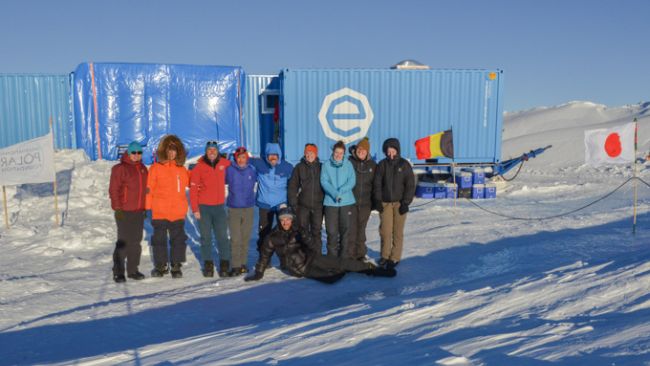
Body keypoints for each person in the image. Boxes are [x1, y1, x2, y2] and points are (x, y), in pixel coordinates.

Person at [244, 207, 396, 284]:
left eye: (288, 219)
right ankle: (344, 270)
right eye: (282, 219)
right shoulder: (272, 237)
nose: (285, 222)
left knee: (342, 263)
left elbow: (311, 245)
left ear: (291, 220)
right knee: (332, 278)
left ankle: (374, 270)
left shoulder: (297, 230)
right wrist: (258, 273)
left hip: (312, 258)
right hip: (300, 268)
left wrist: (304, 235)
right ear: (279, 220)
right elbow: (264, 256)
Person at [146, 135, 190, 278]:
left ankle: (176, 266)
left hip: (177, 211)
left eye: (174, 150)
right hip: (160, 211)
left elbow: (194, 183)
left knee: (178, 240)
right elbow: (149, 188)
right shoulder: (155, 168)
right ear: (164, 151)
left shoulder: (182, 170)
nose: (171, 153)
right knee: (159, 240)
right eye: (169, 150)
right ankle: (161, 265)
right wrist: (147, 207)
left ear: (178, 152)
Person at [190, 140, 231, 278]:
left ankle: (225, 264)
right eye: (209, 150)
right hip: (204, 208)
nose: (212, 152)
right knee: (206, 238)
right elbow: (193, 190)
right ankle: (208, 265)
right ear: (206, 152)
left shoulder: (224, 163)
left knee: (223, 238)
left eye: (214, 149)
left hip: (219, 207)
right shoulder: (198, 168)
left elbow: (239, 164)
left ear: (218, 151)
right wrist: (195, 208)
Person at [108, 141, 148, 283]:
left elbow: (144, 191)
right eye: (134, 152)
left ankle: (133, 270)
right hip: (124, 211)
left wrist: (145, 207)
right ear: (128, 153)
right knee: (124, 242)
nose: (136, 155)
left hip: (138, 211)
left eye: (139, 152)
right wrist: (117, 208)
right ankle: (118, 271)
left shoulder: (143, 169)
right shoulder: (119, 169)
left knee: (136, 242)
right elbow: (114, 190)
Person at [373, 138, 416, 270]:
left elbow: (410, 185)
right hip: (385, 203)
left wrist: (405, 203)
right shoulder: (382, 165)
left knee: (397, 232)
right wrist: (378, 201)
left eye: (393, 151)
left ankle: (395, 257)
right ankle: (385, 256)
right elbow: (377, 184)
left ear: (397, 150)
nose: (391, 154)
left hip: (399, 204)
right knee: (385, 231)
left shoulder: (404, 165)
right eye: (388, 151)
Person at [249, 143, 293, 253]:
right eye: (270, 155)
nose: (272, 158)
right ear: (266, 156)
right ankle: (264, 258)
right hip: (265, 204)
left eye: (275, 155)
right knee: (264, 231)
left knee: (284, 231)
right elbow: (243, 160)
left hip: (280, 205)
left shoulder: (287, 167)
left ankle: (285, 258)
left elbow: (295, 183)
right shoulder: (260, 164)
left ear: (279, 155)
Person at [320, 140, 356, 257]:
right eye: (336, 152)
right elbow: (324, 182)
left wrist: (340, 191)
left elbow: (352, 181)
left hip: (346, 201)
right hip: (331, 202)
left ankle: (343, 258)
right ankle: (332, 259)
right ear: (333, 152)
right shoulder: (326, 165)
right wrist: (335, 193)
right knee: (331, 232)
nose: (338, 155)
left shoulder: (348, 164)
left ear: (344, 153)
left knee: (345, 231)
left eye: (341, 153)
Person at [287, 143, 324, 254]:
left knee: (316, 231)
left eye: (311, 153)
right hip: (303, 206)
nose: (309, 155)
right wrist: (294, 204)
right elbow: (292, 186)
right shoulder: (299, 167)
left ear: (316, 154)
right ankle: (303, 255)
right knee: (303, 231)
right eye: (307, 153)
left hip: (318, 206)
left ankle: (317, 255)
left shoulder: (322, 167)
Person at [226, 146, 257, 276]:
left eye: (243, 157)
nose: (241, 160)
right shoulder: (229, 170)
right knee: (235, 238)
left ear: (247, 158)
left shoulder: (252, 170)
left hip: (248, 207)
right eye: (239, 157)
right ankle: (235, 266)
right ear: (235, 158)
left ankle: (243, 264)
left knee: (245, 237)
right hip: (234, 208)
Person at [347, 137, 376, 260]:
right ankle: (349, 254)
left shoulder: (373, 165)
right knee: (351, 229)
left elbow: (376, 185)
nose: (361, 152)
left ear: (367, 152)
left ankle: (360, 254)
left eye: (364, 150)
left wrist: (375, 202)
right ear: (356, 149)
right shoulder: (349, 162)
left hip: (365, 203)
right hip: (350, 202)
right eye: (359, 149)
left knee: (361, 229)